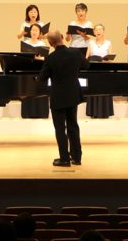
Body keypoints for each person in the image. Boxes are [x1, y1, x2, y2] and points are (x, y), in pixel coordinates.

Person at [39, 30, 88, 166]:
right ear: (62, 37)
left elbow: (42, 78)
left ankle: (64, 158)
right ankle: (76, 157)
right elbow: (86, 65)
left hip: (58, 97)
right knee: (73, 126)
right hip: (73, 94)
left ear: (51, 43)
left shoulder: (51, 58)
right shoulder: (75, 53)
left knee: (60, 128)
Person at [21, 22, 50, 119]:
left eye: (36, 30)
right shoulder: (25, 43)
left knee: (39, 90)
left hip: (39, 69)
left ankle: (41, 113)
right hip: (28, 69)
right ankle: (27, 113)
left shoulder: (42, 44)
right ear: (30, 32)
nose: (34, 32)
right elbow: (22, 57)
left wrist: (40, 59)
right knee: (28, 89)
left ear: (39, 33)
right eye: (33, 30)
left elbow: (46, 59)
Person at [86, 24, 114, 118]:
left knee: (104, 89)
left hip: (104, 69)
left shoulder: (108, 43)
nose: (98, 31)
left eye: (100, 29)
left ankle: (105, 112)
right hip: (93, 69)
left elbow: (110, 58)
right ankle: (93, 112)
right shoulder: (91, 43)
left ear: (103, 31)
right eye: (96, 30)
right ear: (94, 32)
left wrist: (107, 60)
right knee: (94, 89)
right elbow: (87, 57)